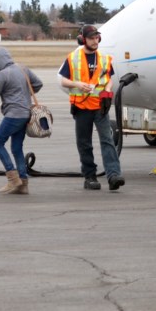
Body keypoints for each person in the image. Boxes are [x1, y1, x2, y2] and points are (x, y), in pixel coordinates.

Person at [59, 24, 124, 191]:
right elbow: (62, 80)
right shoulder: (73, 58)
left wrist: (108, 89)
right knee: (84, 143)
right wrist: (77, 84)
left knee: (107, 140)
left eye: (97, 37)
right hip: (81, 107)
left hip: (100, 107)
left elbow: (109, 78)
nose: (95, 41)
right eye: (91, 38)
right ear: (83, 39)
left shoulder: (104, 58)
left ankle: (114, 175)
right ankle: (90, 177)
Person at [0, 46, 43, 195]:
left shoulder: (2, 75)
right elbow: (38, 84)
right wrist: (25, 93)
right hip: (25, 114)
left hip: (13, 114)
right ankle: (23, 183)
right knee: (16, 148)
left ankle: (13, 179)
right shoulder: (22, 68)